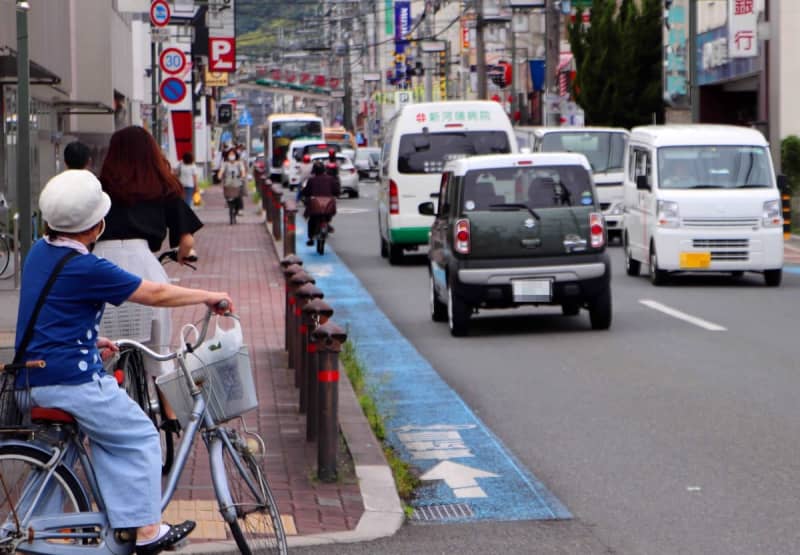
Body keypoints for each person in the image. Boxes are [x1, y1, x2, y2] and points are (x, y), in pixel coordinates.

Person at [16, 169, 233, 553]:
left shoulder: (39, 252)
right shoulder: (87, 267)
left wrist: (87, 338)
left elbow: (50, 311)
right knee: (139, 436)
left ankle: (29, 534)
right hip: (70, 382)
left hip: (29, 378)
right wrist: (208, 294)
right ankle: (146, 529)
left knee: (59, 458)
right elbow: (156, 294)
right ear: (96, 225)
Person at [94, 126, 202, 382]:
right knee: (159, 355)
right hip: (144, 265)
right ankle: (172, 419)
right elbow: (187, 240)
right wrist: (181, 255)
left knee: (102, 351)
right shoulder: (163, 186)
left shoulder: (99, 189)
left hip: (101, 266)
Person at [302, 161, 340, 246]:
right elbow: (337, 191)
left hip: (315, 206)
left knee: (311, 220)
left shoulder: (311, 180)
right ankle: (327, 226)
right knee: (327, 216)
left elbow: (306, 192)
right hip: (328, 206)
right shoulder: (331, 179)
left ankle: (311, 238)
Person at [218, 148, 246, 214]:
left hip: (237, 181)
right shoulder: (225, 164)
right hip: (228, 182)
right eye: (230, 154)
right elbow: (221, 171)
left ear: (235, 155)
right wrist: (219, 175)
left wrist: (242, 175)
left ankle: (240, 209)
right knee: (227, 193)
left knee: (239, 195)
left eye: (232, 154)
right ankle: (228, 202)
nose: (231, 155)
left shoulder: (239, 163)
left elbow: (243, 171)